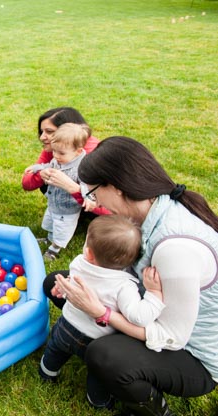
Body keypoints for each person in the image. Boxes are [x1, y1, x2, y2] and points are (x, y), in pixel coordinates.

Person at [47, 136, 218, 415]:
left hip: (193, 356)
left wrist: (100, 312)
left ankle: (153, 408)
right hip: (145, 307)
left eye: (93, 193)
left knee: (104, 355)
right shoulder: (149, 211)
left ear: (115, 188)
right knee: (58, 281)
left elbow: (171, 336)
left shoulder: (175, 248)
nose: (93, 201)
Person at [39, 215, 165, 410]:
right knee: (97, 372)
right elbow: (139, 316)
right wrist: (155, 294)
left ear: (89, 253)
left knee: (55, 351)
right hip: (94, 341)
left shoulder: (79, 262)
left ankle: (47, 373)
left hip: (65, 325)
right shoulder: (124, 285)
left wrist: (62, 290)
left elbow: (73, 283)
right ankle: (98, 401)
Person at [22, 107, 108, 215]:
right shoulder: (58, 148)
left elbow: (110, 209)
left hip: (98, 206)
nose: (42, 137)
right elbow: (27, 183)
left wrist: (72, 187)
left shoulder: (94, 155)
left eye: (49, 131)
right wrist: (42, 173)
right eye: (41, 131)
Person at [26, 123, 90, 261]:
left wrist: (87, 197)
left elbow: (87, 188)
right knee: (51, 223)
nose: (56, 156)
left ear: (78, 151)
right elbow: (50, 165)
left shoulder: (82, 167)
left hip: (68, 210)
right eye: (54, 151)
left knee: (62, 230)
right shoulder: (60, 159)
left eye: (61, 153)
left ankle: (54, 249)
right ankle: (49, 239)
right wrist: (38, 167)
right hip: (54, 203)